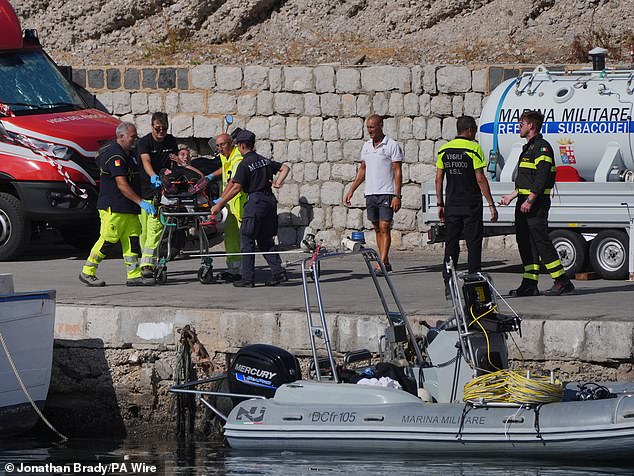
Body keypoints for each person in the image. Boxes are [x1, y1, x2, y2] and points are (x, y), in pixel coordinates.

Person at [499, 110, 575, 297]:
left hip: (535, 204)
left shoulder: (542, 147)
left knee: (541, 242)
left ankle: (562, 281)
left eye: (521, 124)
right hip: (523, 203)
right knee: (525, 242)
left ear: (530, 125)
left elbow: (542, 177)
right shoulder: (527, 148)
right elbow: (526, 179)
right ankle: (529, 283)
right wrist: (512, 195)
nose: (519, 127)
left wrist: (531, 199)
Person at [209, 129, 290, 288]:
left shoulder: (244, 163)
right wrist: (278, 182)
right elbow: (285, 168)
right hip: (269, 201)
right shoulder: (264, 160)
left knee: (247, 239)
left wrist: (219, 204)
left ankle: (247, 278)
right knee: (265, 239)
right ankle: (278, 272)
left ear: (240, 145)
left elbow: (236, 187)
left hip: (255, 203)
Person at [79, 122, 156, 287]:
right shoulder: (115, 155)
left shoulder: (130, 154)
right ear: (121, 137)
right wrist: (141, 202)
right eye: (132, 137)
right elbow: (121, 184)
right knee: (108, 240)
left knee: (132, 241)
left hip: (128, 208)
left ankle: (134, 275)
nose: (135, 139)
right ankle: (87, 272)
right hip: (114, 207)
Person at [435, 116, 498, 293]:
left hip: (452, 204)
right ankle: (473, 282)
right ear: (470, 130)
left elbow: (439, 178)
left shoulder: (444, 150)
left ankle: (448, 282)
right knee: (473, 243)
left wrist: (440, 203)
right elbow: (480, 179)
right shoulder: (474, 148)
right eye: (475, 130)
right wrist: (491, 205)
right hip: (471, 204)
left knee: (451, 243)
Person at [344, 115, 403, 273]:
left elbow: (397, 171)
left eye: (372, 127)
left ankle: (381, 263)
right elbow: (362, 170)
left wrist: (397, 195)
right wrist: (351, 190)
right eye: (368, 127)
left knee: (385, 227)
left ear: (381, 126)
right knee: (377, 228)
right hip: (371, 192)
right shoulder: (366, 146)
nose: (370, 130)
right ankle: (386, 261)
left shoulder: (391, 145)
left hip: (387, 192)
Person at [195, 132, 247, 282]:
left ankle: (244, 271)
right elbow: (224, 168)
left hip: (239, 202)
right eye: (217, 146)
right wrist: (210, 176)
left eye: (222, 144)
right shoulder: (226, 156)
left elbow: (233, 182)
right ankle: (233, 269)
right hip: (230, 203)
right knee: (230, 236)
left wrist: (220, 201)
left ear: (231, 143)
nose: (220, 148)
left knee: (243, 238)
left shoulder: (237, 157)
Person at [137, 112, 179, 277]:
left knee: (155, 227)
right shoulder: (144, 142)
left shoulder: (170, 140)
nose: (161, 132)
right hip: (145, 188)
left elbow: (173, 161)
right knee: (145, 231)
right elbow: (145, 161)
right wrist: (153, 175)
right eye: (158, 129)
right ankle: (146, 260)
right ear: (152, 127)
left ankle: (147, 264)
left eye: (164, 129)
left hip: (161, 190)